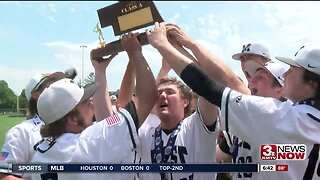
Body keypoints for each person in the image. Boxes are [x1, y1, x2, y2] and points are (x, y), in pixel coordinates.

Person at [147, 23, 320, 180]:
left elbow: (210, 85)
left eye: (261, 75)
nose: (251, 80)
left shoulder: (282, 117)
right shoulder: (303, 121)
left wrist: (164, 45)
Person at [30, 32, 157, 180]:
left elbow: (106, 120)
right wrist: (135, 52)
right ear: (71, 118)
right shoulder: (89, 142)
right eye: (85, 101)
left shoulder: (40, 153)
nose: (91, 102)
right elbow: (147, 96)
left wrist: (100, 71)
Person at [0, 70, 72, 180]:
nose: (58, 90)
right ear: (35, 95)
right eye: (51, 87)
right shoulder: (20, 132)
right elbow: (4, 175)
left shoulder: (74, 124)